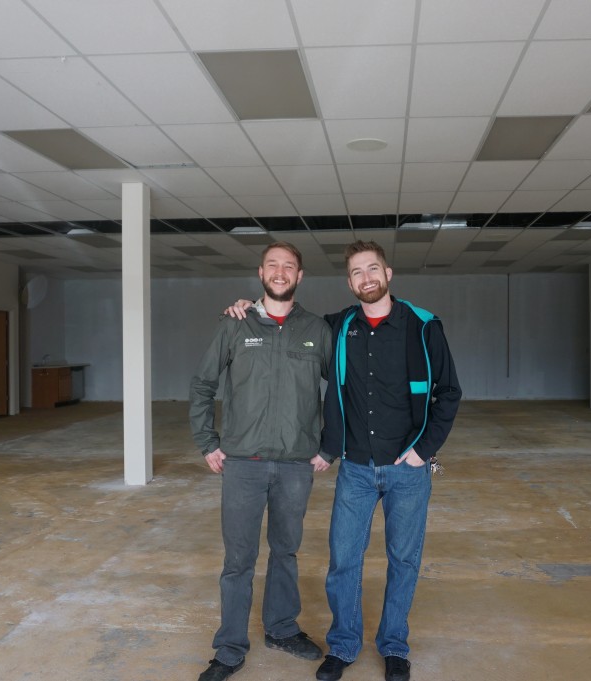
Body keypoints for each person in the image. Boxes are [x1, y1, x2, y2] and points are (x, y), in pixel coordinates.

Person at [226, 240, 461, 681]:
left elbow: (448, 393)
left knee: (403, 561)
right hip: (354, 467)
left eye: (373, 269)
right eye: (356, 272)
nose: (366, 278)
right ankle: (344, 645)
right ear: (349, 282)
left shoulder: (424, 327)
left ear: (388, 275)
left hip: (407, 470)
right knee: (344, 561)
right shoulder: (338, 328)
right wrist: (250, 306)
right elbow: (290, 322)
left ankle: (393, 647)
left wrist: (423, 452)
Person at [190, 242, 333, 681]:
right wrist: (207, 441)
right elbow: (202, 385)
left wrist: (329, 446)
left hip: (295, 465)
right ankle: (230, 648)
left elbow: (345, 393)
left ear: (300, 276)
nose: (280, 271)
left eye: (289, 265)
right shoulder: (235, 324)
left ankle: (282, 628)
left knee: (286, 551)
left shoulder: (316, 329)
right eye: (273, 264)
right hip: (243, 465)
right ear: (261, 272)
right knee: (238, 559)